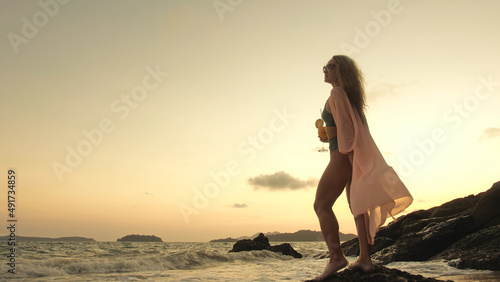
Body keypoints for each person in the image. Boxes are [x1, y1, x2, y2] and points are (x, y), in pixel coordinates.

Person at [313, 55, 413, 281]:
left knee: (321, 205)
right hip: (350, 154)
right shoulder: (351, 97)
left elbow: (347, 132)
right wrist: (328, 137)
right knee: (357, 207)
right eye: (324, 66)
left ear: (342, 70)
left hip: (342, 156)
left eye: (331, 66)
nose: (325, 70)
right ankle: (365, 259)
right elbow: (352, 128)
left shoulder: (336, 94)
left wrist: (346, 157)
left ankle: (335, 258)